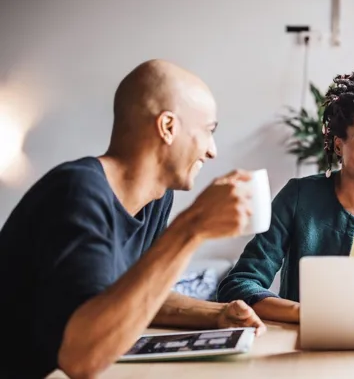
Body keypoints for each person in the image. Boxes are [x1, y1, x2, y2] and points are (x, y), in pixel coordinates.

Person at [0, 59, 266, 379]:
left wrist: (219, 314)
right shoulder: (77, 192)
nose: (212, 151)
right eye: (209, 131)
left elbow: (136, 294)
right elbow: (81, 358)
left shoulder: (157, 197)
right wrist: (192, 227)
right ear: (167, 127)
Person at [217, 67, 354, 323]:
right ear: (339, 145)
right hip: (310, 345)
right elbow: (238, 284)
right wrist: (306, 314)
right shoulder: (299, 197)